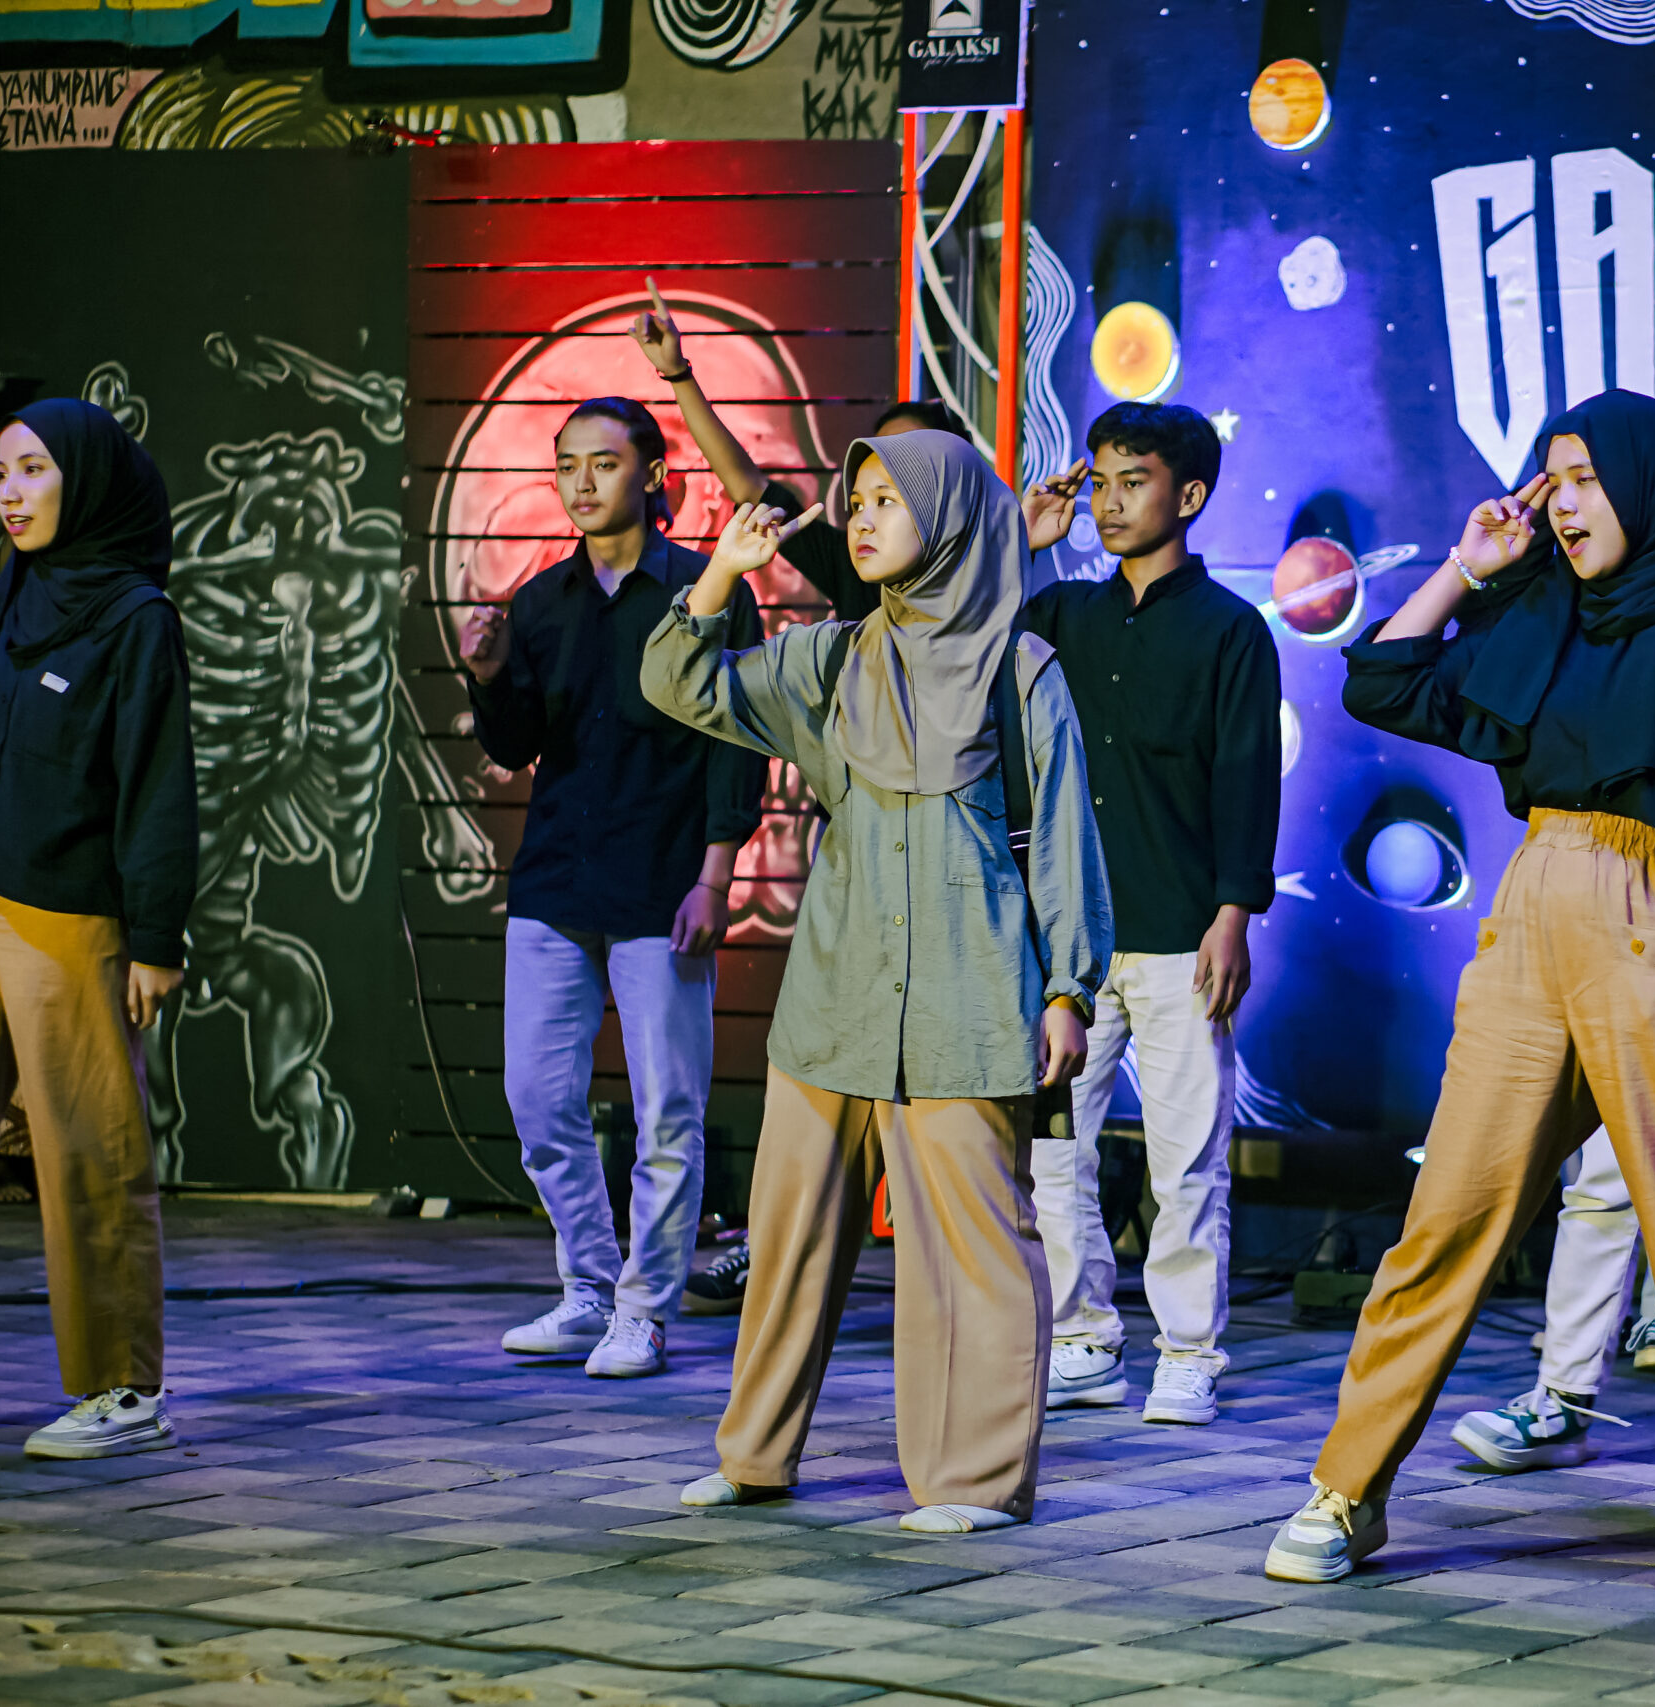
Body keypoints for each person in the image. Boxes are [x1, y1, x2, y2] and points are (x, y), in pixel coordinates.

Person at [1268, 389, 1655, 1612]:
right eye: (1553, 479)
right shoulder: (1543, 612)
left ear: (1647, 483)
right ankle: (1346, 1487)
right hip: (1534, 909)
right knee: (1446, 1215)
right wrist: (1465, 566)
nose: (1564, 503)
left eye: (1586, 477)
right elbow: (1383, 684)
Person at [643, 429, 1113, 1534]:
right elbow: (678, 683)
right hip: (836, 999)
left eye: (888, 500)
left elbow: (1064, 844)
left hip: (966, 996)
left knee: (973, 1251)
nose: (861, 518)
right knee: (789, 1240)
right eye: (855, 499)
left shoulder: (1019, 670)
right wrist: (720, 575)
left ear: (948, 521)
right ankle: (755, 1456)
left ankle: (974, 1479)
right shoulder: (830, 659)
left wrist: (1069, 990)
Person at [461, 398, 766, 1379]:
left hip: (663, 881)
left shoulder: (706, 586)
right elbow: (517, 743)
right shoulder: (541, 601)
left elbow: (737, 739)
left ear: (654, 475)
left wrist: (716, 873)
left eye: (603, 461)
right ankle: (588, 1287)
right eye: (567, 464)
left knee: (668, 1109)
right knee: (535, 1094)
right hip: (556, 877)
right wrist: (488, 675)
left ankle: (645, 1308)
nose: (582, 481)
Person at [1018, 403, 1281, 1424]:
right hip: (1070, 946)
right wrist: (1024, 545)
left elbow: (1246, 777)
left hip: (1180, 933)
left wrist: (1233, 912)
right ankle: (1083, 1336)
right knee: (1052, 1151)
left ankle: (1189, 1352)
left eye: (1133, 481)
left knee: (1187, 1160)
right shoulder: (1062, 613)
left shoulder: (1229, 629)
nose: (1109, 500)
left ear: (1190, 494)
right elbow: (964, 647)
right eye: (1100, 480)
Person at [0, 399, 193, 1459]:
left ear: (89, 480)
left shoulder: (134, 618)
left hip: (69, 915)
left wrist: (155, 940)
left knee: (87, 1152)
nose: (10, 493)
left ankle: (121, 1389)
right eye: (1, 472)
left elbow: (157, 785)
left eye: (33, 469)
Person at [633, 281, 968, 626]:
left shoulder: (993, 595)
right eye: (857, 505)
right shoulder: (848, 575)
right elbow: (747, 486)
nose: (864, 521)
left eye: (909, 460)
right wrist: (678, 373)